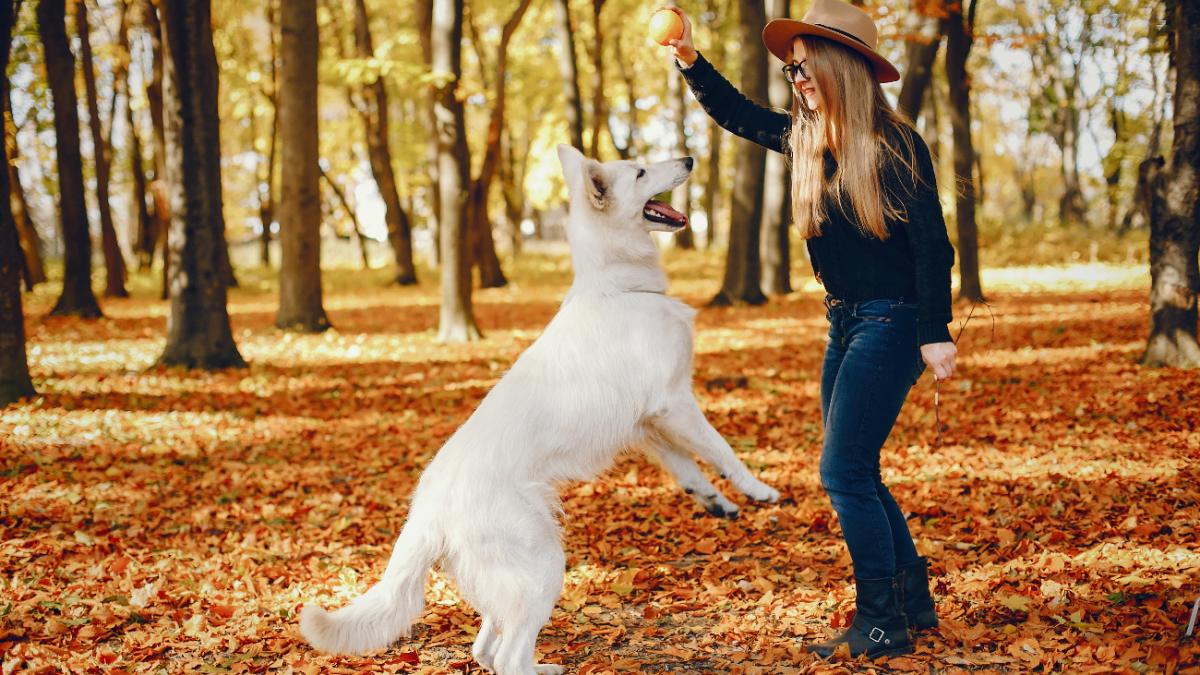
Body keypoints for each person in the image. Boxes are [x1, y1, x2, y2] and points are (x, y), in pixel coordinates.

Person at [659, 0, 958, 659]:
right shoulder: (804, 138)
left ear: (843, 67)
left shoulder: (895, 145)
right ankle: (914, 599)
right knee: (859, 467)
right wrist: (690, 60)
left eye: (805, 68)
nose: (796, 81)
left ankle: (882, 626)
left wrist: (935, 331)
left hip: (894, 320)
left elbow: (933, 248)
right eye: (791, 71)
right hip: (845, 322)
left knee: (842, 470)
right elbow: (734, 114)